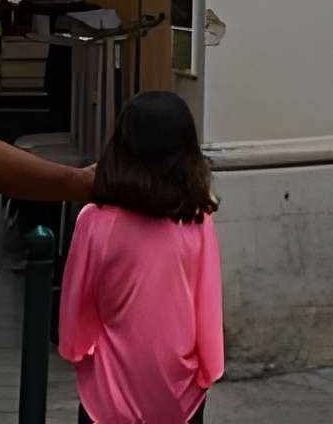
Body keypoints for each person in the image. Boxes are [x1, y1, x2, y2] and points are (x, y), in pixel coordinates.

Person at [59, 91, 223, 424]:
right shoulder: (197, 220)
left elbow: (78, 305)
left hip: (109, 388)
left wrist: (74, 348)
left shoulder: (95, 222)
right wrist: (210, 367)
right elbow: (206, 303)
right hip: (180, 392)